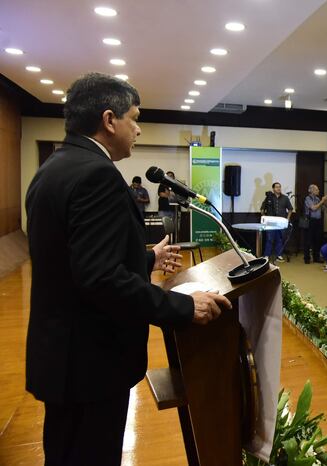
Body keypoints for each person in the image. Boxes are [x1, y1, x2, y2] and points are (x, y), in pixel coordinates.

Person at [24, 72, 231, 465]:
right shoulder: (97, 175)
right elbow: (100, 279)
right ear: (109, 120)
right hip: (91, 363)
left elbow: (74, 261)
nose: (137, 128)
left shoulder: (56, 166)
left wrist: (147, 259)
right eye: (134, 118)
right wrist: (184, 308)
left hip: (64, 357)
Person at [260, 182, 293, 262]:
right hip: (270, 222)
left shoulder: (285, 198)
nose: (278, 188)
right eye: (277, 187)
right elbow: (262, 209)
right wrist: (265, 217)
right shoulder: (269, 198)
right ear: (273, 189)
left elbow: (290, 209)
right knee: (269, 239)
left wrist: (287, 219)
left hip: (281, 222)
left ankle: (279, 255)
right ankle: (266, 255)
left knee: (280, 239)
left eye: (280, 187)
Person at [302, 184, 327, 264]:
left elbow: (322, 209)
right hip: (310, 221)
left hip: (318, 221)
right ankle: (307, 258)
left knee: (317, 240)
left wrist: (325, 203)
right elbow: (313, 208)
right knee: (308, 240)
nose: (318, 191)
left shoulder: (317, 199)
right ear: (311, 191)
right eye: (316, 189)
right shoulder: (307, 198)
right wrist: (322, 201)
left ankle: (316, 257)